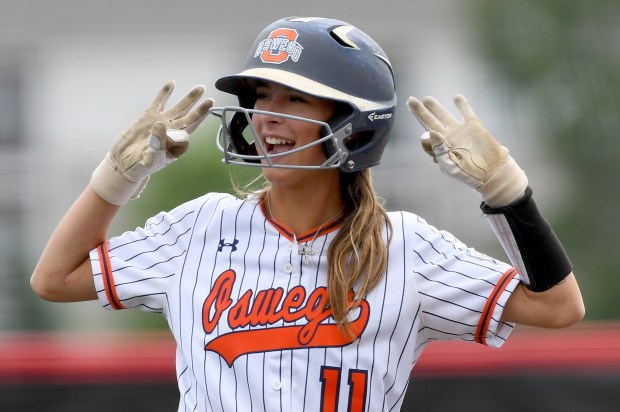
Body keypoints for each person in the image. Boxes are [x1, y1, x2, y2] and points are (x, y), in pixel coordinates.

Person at [31, 16, 584, 412]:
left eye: (294, 100)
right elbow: (53, 279)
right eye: (263, 97)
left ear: (354, 122)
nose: (268, 117)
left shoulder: (408, 248)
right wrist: (116, 176)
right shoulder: (200, 226)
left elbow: (559, 308)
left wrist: (507, 190)